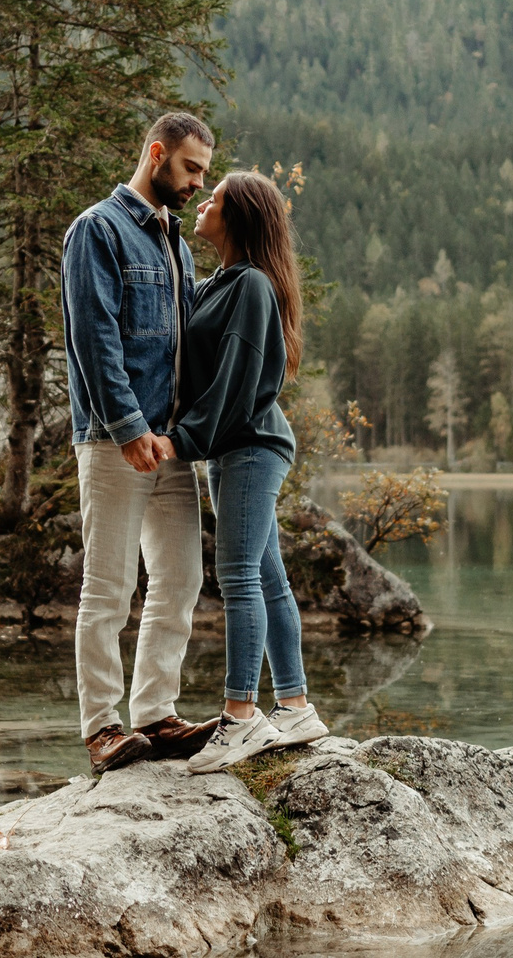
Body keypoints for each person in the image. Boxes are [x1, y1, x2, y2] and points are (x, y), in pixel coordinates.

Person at [60, 110, 223, 775]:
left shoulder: (178, 247)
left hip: (171, 446)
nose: (195, 183)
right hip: (114, 440)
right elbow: (93, 337)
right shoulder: (96, 230)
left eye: (204, 174)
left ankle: (156, 710)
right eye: (189, 169)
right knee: (108, 586)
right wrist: (128, 428)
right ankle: (101, 725)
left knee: (181, 576)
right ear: (156, 152)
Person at [170, 170, 328, 772]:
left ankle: (241, 717)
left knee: (237, 575)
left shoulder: (253, 286)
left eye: (215, 198)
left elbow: (236, 380)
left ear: (237, 217)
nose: (203, 201)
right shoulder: (221, 283)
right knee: (266, 575)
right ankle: (294, 707)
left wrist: (183, 439)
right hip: (236, 445)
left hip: (250, 445)